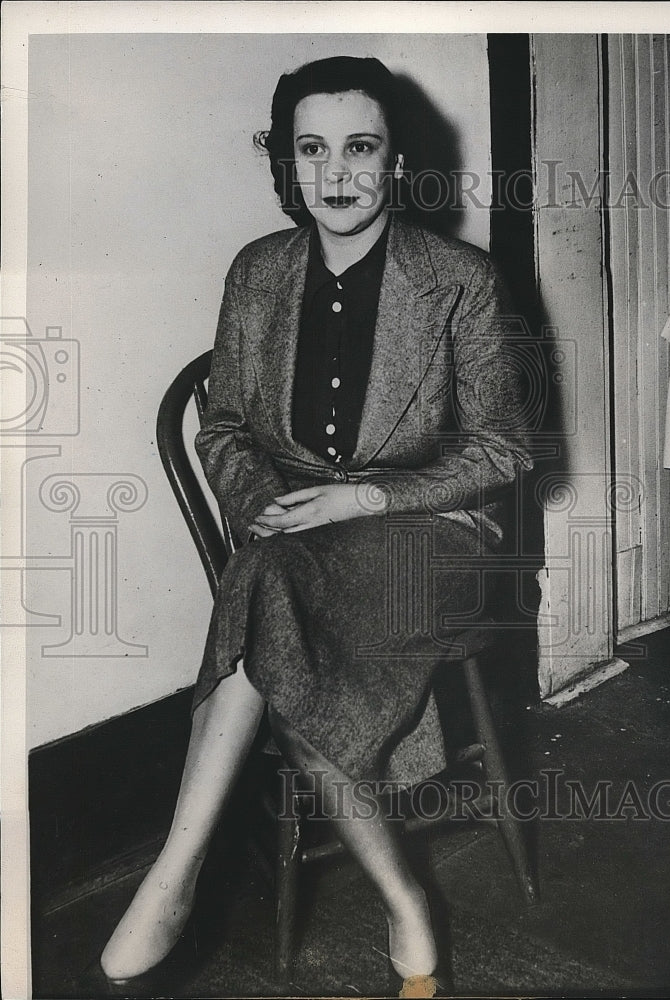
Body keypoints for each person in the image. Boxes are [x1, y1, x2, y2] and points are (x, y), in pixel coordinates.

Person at [100, 55, 532, 998]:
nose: (335, 173)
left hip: (432, 534)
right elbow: (220, 426)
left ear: (395, 160)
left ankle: (175, 874)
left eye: (360, 147)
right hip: (293, 539)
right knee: (281, 607)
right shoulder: (257, 272)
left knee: (266, 596)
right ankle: (407, 905)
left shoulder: (459, 278)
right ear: (287, 164)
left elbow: (503, 450)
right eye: (312, 149)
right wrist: (257, 500)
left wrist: (362, 498)